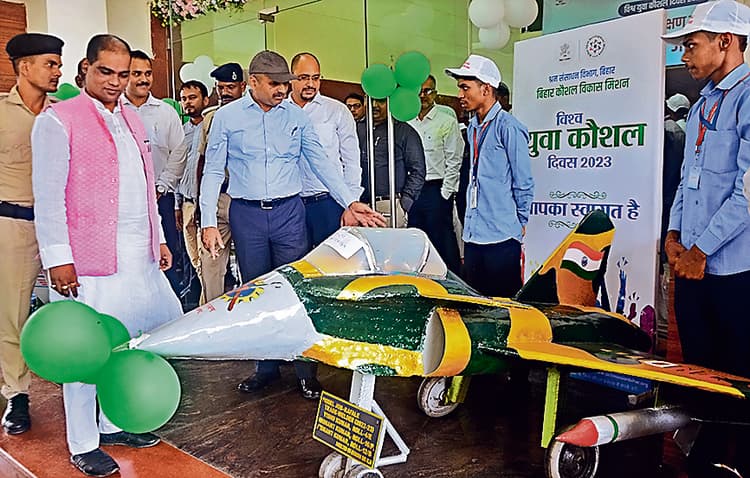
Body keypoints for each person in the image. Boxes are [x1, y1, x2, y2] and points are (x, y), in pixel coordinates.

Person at [31, 34, 183, 477]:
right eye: (106, 72)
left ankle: (113, 421)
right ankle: (83, 442)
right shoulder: (58, 120)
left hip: (138, 254)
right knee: (86, 349)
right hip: (88, 258)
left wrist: (158, 240)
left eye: (124, 74)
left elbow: (147, 188)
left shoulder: (133, 118)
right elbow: (49, 198)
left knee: (132, 339)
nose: (116, 82)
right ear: (86, 69)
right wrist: (58, 258)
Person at [200, 50, 384, 400]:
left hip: (289, 214)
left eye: (286, 83)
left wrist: (350, 201)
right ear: (253, 82)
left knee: (298, 291)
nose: (283, 90)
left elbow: (322, 163)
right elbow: (212, 171)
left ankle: (305, 372)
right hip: (247, 216)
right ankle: (265, 369)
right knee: (256, 291)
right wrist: (208, 221)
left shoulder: (297, 118)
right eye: (275, 83)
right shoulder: (226, 118)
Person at [662, 1, 750, 475]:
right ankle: (709, 459)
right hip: (692, 266)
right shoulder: (700, 105)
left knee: (739, 376)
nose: (685, 56)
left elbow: (747, 192)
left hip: (733, 272)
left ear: (726, 41)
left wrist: (701, 250)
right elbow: (686, 180)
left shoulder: (748, 98)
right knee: (701, 373)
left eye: (691, 45)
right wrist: (674, 235)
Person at [0, 32, 63, 437]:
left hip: (61, 227)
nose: (58, 72)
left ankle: (81, 387)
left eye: (59, 64)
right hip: (13, 224)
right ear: (25, 67)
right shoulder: (1, 113)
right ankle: (17, 394)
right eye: (50, 64)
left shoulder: (63, 114)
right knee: (12, 313)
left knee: (73, 306)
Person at [445, 54, 534, 298]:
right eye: (459, 88)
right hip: (474, 235)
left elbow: (523, 181)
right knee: (476, 305)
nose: (460, 95)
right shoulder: (473, 127)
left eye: (465, 88)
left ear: (486, 89)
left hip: (501, 236)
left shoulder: (509, 127)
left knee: (503, 307)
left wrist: (520, 221)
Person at [123, 50, 187, 295]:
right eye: (136, 73)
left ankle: (170, 307)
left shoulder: (165, 112)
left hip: (161, 198)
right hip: (125, 203)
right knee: (131, 258)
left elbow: (179, 152)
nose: (143, 79)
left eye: (147, 73)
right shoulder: (114, 112)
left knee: (167, 256)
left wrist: (161, 186)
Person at [288, 52, 362, 248]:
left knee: (331, 262)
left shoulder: (337, 111)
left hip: (329, 203)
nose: (310, 84)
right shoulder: (279, 111)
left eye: (315, 78)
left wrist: (350, 203)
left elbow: (352, 161)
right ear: (291, 77)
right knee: (295, 262)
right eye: (303, 78)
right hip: (290, 205)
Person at [195, 62, 246, 303]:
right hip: (218, 197)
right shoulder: (211, 119)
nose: (225, 93)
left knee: (250, 264)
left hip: (245, 201)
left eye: (230, 87)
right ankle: (211, 314)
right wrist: (201, 204)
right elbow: (202, 162)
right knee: (211, 264)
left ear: (243, 87)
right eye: (220, 88)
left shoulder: (255, 116)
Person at [407, 74, 463, 273]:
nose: (423, 95)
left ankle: (452, 281)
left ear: (435, 93)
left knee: (442, 240)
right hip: (412, 190)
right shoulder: (407, 121)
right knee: (415, 239)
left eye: (427, 91)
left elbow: (454, 159)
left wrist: (445, 193)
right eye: (419, 91)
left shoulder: (446, 121)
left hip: (435, 189)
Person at [358, 97, 426, 227]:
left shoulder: (404, 131)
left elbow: (418, 170)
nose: (374, 105)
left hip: (389, 204)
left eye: (381, 101)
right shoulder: (357, 128)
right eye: (370, 100)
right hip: (358, 205)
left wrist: (404, 203)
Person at [176, 80, 210, 303]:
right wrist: (177, 205)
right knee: (196, 260)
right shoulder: (181, 132)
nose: (187, 103)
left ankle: (208, 307)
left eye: (192, 98)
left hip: (206, 205)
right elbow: (177, 169)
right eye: (184, 99)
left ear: (205, 100)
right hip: (186, 203)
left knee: (209, 262)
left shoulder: (213, 126)